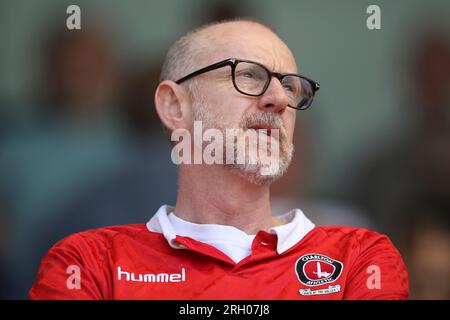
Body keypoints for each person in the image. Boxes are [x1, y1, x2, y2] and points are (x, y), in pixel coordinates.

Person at [29, 19, 408, 300]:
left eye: (290, 86)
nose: (278, 99)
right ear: (174, 105)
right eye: (247, 75)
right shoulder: (89, 264)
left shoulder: (360, 257)